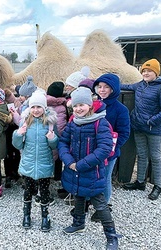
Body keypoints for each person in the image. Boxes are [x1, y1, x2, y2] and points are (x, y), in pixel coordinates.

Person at [58, 87, 121, 249]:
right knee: (78, 195)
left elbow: (104, 148)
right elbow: (63, 143)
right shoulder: (73, 123)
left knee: (99, 203)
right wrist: (69, 161)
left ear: (90, 105)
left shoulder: (100, 123)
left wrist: (81, 165)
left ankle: (111, 235)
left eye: (82, 105)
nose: (79, 109)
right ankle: (78, 223)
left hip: (92, 171)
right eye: (76, 105)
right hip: (74, 169)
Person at [121, 59, 161, 200]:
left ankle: (158, 185)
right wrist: (107, 84)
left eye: (149, 71)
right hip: (139, 126)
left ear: (156, 72)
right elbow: (125, 85)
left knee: (155, 157)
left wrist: (151, 121)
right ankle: (140, 182)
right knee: (142, 155)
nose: (146, 73)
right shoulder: (140, 85)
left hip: (154, 129)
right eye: (144, 71)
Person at [12, 92, 59, 232]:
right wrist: (18, 134)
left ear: (44, 107)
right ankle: (26, 215)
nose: (36, 110)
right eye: (33, 107)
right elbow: (17, 145)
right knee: (28, 191)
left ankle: (45, 216)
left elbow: (54, 145)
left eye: (39, 107)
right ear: (29, 108)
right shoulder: (25, 121)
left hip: (44, 163)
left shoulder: (50, 123)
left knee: (44, 192)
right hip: (28, 163)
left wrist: (52, 138)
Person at [90, 73, 130, 221]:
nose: (102, 90)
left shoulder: (121, 109)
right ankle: (89, 201)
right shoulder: (92, 104)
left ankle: (103, 207)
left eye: (106, 87)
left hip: (108, 152)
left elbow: (124, 133)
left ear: (113, 89)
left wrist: (111, 148)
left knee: (104, 178)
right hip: (91, 149)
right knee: (91, 176)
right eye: (99, 87)